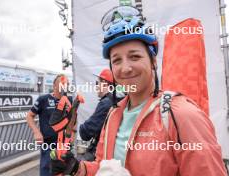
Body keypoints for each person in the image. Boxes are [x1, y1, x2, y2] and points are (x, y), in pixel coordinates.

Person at [49, 6, 227, 176]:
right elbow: (105, 168)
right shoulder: (113, 114)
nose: (125, 68)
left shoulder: (182, 115)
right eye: (117, 60)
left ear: (153, 62)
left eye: (135, 56)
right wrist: (79, 169)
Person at [26, 74, 72, 176]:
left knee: (65, 171)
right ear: (55, 86)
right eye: (62, 83)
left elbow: (72, 121)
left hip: (65, 145)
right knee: (47, 171)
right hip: (48, 145)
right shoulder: (43, 99)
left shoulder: (70, 100)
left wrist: (71, 137)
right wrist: (37, 132)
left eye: (67, 84)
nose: (65, 86)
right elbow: (29, 116)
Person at [79, 69, 114, 161]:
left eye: (97, 83)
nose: (96, 87)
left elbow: (85, 133)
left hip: (100, 153)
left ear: (105, 83)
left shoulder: (106, 103)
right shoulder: (117, 100)